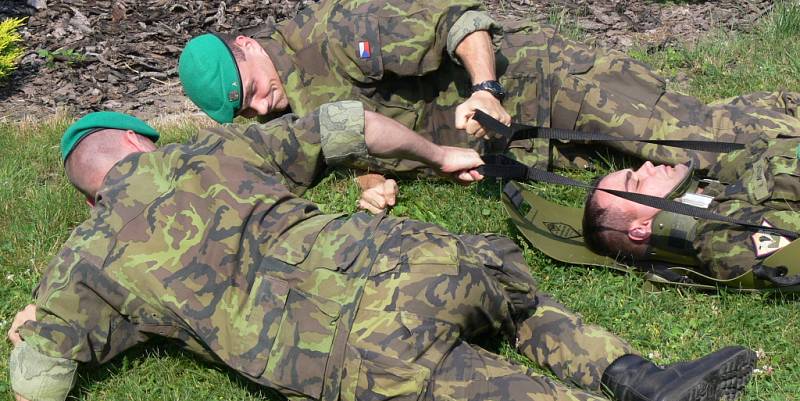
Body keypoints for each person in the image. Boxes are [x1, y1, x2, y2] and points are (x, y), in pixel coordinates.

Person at [7, 111, 757, 401]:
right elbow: (351, 125)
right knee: (509, 294)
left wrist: (35, 324)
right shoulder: (217, 148)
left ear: (89, 197)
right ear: (141, 141)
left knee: (461, 383)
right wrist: (437, 152)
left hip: (348, 361)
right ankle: (641, 378)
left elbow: (37, 385)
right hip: (405, 262)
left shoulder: (84, 263)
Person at [178, 0, 800, 190]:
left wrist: (485, 89)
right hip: (517, 142)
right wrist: (370, 174)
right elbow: (355, 125)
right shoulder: (292, 101)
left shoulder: (333, 32)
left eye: (254, 90)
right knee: (663, 179)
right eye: (246, 110)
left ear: (247, 43)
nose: (263, 107)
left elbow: (461, 21)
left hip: (539, 79)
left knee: (690, 136)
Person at [583, 136, 800, 282]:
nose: (647, 166)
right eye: (637, 183)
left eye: (636, 170)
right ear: (640, 229)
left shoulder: (722, 177)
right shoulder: (721, 241)